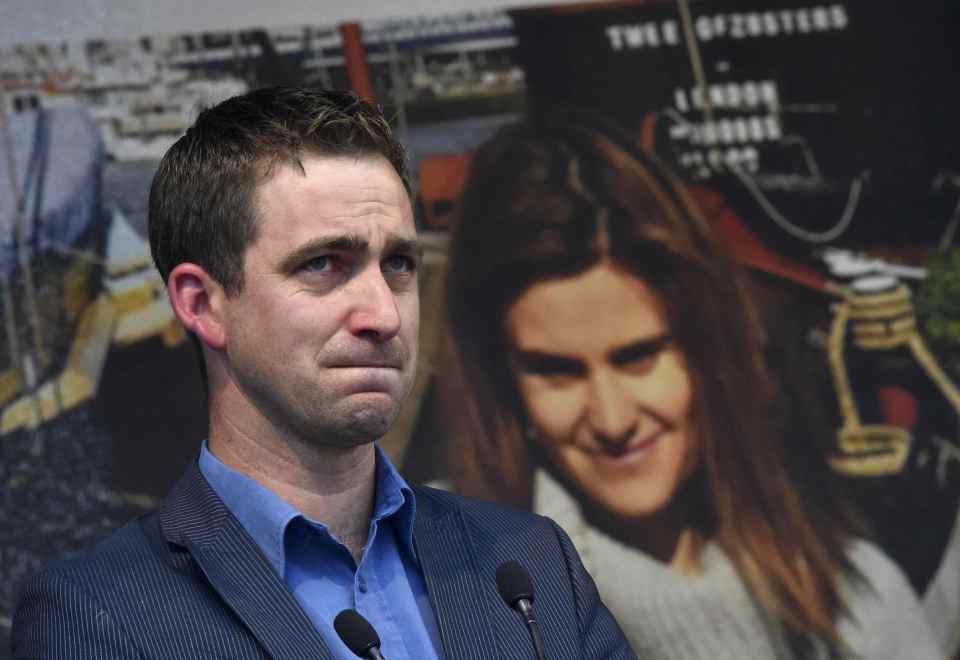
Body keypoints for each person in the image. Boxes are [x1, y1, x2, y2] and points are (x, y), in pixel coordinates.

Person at [11, 88, 635, 660]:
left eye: (398, 264)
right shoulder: (97, 617)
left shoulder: (531, 563)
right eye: (323, 265)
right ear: (202, 304)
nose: (384, 315)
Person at [439, 114, 943, 658]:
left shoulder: (860, 607)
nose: (612, 420)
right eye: (556, 370)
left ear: (710, 351)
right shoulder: (428, 594)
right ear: (501, 382)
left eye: (641, 356)